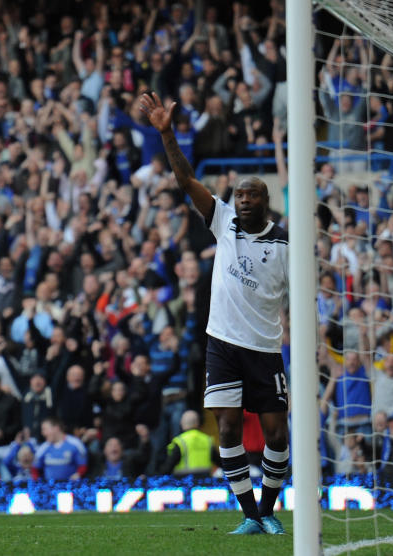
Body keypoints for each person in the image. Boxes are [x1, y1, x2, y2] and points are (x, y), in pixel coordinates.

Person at [140, 92, 290, 535]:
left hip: (264, 347)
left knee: (277, 436)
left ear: (264, 201)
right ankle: (249, 515)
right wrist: (167, 133)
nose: (242, 199)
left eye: (251, 194)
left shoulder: (284, 244)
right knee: (226, 429)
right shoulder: (222, 220)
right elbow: (186, 181)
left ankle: (268, 509)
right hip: (222, 344)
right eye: (239, 193)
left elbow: (300, 297)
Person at [160, 410, 216, 476]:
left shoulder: (180, 441)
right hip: (205, 481)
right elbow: (219, 461)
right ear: (197, 423)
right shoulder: (207, 440)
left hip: (183, 482)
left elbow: (168, 467)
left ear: (182, 423)